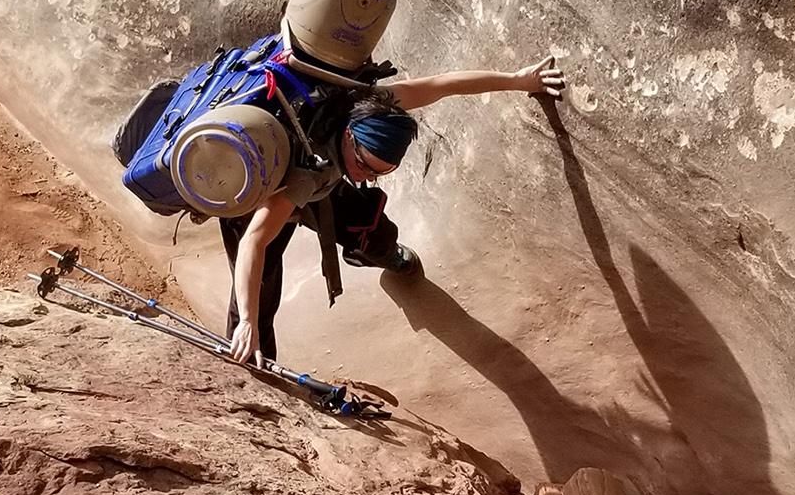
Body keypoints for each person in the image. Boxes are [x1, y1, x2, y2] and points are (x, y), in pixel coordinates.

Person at [222, 58, 566, 364]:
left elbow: (444, 85)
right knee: (258, 291)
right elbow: (254, 241)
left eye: (381, 172)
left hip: (325, 173)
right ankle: (253, 362)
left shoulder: (372, 105)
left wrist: (519, 80)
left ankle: (386, 254)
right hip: (261, 191)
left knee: (374, 229)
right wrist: (248, 321)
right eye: (367, 167)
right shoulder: (309, 176)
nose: (370, 178)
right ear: (349, 137)